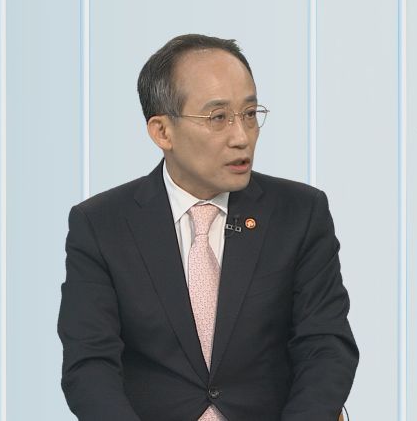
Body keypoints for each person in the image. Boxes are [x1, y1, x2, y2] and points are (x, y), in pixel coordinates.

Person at [58, 34, 359, 421]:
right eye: (218, 118)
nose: (241, 137)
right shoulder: (101, 225)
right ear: (162, 131)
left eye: (249, 114)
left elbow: (325, 345)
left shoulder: (299, 212)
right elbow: (89, 365)